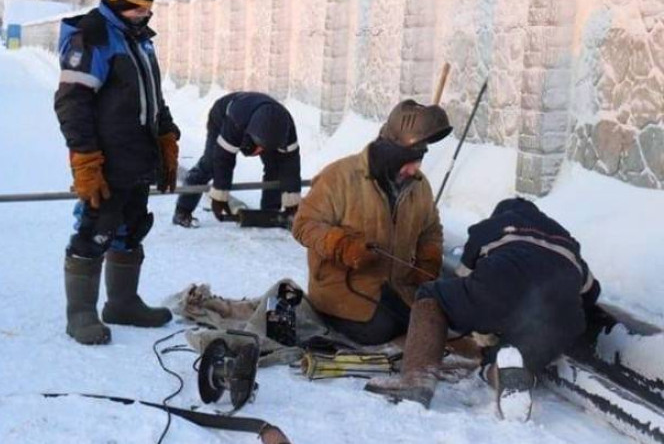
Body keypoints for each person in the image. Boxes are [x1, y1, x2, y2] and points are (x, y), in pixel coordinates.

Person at [365, 197, 601, 421]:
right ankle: (505, 376)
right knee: (509, 356)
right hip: (561, 318)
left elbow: (464, 277)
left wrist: (478, 318)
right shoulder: (567, 241)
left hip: (502, 285)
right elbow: (591, 293)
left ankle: (416, 381)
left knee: (431, 296)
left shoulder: (491, 226)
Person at [53, 0, 179, 345]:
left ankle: (122, 303)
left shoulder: (138, 40)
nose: (149, 14)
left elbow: (152, 97)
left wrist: (166, 136)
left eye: (150, 6)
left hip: (136, 159)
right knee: (95, 231)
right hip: (106, 162)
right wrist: (85, 161)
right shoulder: (93, 36)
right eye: (142, 6)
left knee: (132, 228)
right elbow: (72, 103)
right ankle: (81, 314)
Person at [291, 100, 453, 346]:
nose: (414, 169)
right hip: (342, 292)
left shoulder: (419, 185)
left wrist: (428, 263)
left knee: (433, 323)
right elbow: (303, 224)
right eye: (409, 160)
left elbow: (431, 231)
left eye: (419, 159)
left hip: (397, 289)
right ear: (391, 153)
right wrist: (342, 245)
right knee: (380, 331)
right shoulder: (339, 177)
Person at [172, 92, 302, 227]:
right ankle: (183, 210)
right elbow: (222, 160)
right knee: (210, 164)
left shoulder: (286, 130)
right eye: (261, 147)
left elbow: (290, 167)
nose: (262, 152)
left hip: (259, 122)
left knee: (276, 166)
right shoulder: (236, 122)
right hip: (224, 116)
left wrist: (291, 205)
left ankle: (271, 213)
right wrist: (220, 196)